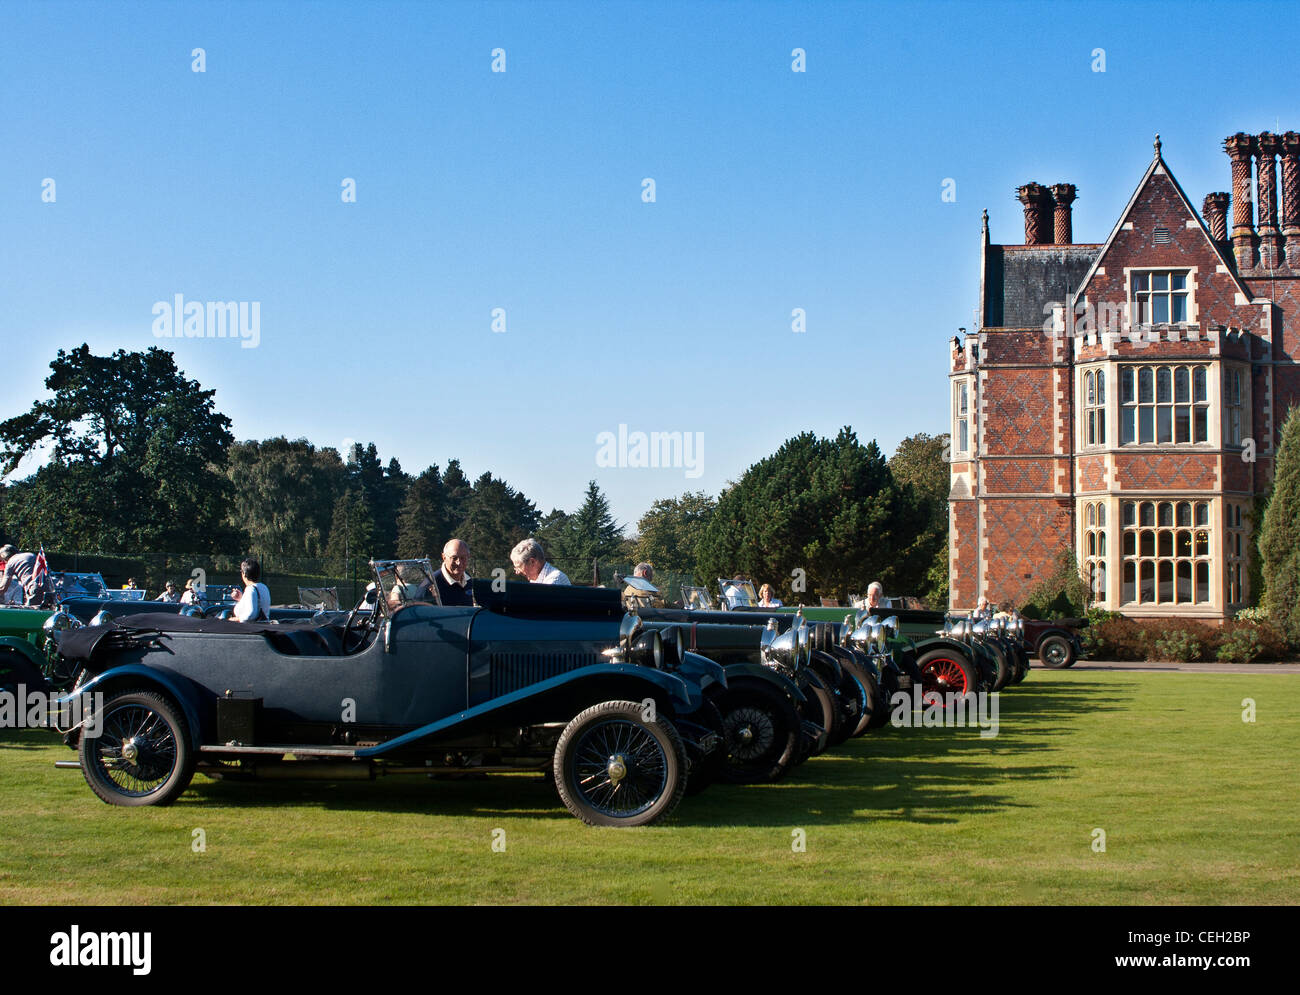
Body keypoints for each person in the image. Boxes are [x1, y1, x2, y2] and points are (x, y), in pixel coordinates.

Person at [433, 539, 474, 606]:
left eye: (463, 558)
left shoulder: (467, 578)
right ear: (444, 557)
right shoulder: (432, 583)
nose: (459, 563)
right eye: (454, 558)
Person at [232, 558, 271, 622]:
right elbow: (256, 603)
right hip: (262, 628)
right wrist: (240, 598)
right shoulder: (264, 587)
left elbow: (250, 615)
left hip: (250, 629)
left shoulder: (250, 589)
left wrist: (235, 619)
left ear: (244, 574)